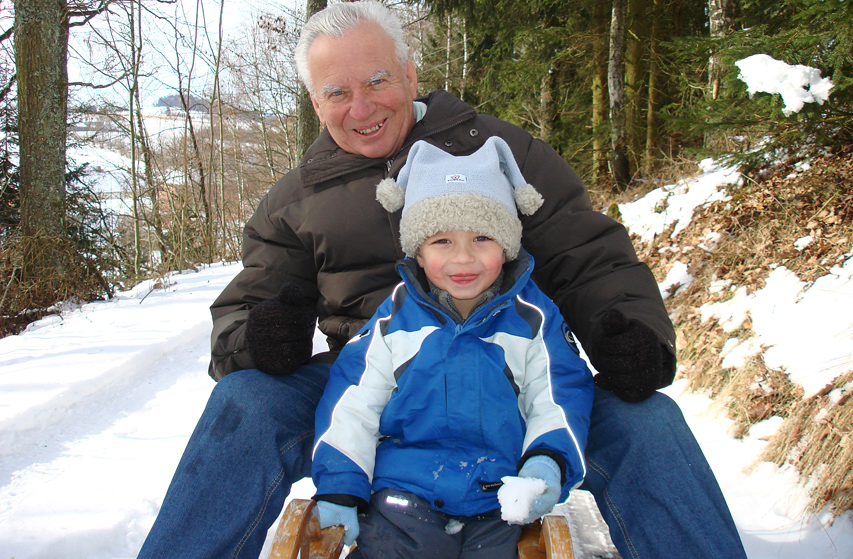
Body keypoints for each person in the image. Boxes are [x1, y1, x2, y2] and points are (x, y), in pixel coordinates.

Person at [137, 2, 748, 558]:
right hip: (370, 377)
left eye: (377, 80)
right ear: (315, 103)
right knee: (244, 403)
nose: (362, 106)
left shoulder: (500, 153)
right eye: (337, 92)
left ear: (408, 72)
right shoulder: (296, 200)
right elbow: (247, 307)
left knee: (649, 419)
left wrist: (632, 331)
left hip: (510, 369)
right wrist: (259, 338)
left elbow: (589, 254)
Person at [310, 137, 595, 558]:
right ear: (419, 254)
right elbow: (353, 401)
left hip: (500, 499)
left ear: (507, 245)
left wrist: (545, 463)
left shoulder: (534, 318)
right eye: (442, 241)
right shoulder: (394, 320)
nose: (464, 259)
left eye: (482, 238)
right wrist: (340, 486)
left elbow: (558, 393)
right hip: (400, 496)